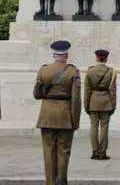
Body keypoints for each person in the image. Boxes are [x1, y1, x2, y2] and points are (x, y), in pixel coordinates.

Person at [33, 40, 82, 185]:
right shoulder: (73, 71)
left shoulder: (44, 70)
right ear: (66, 55)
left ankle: (50, 182)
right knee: (64, 151)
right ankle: (61, 181)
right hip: (65, 116)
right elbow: (76, 99)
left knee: (48, 151)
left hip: (47, 115)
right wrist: (75, 120)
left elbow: (37, 94)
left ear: (53, 54)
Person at [84, 49, 117, 160]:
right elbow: (112, 91)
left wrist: (86, 105)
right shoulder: (111, 72)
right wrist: (113, 105)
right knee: (104, 128)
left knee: (93, 128)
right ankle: (102, 153)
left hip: (93, 101)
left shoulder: (90, 71)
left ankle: (95, 152)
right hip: (106, 102)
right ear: (106, 58)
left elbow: (87, 90)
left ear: (96, 58)